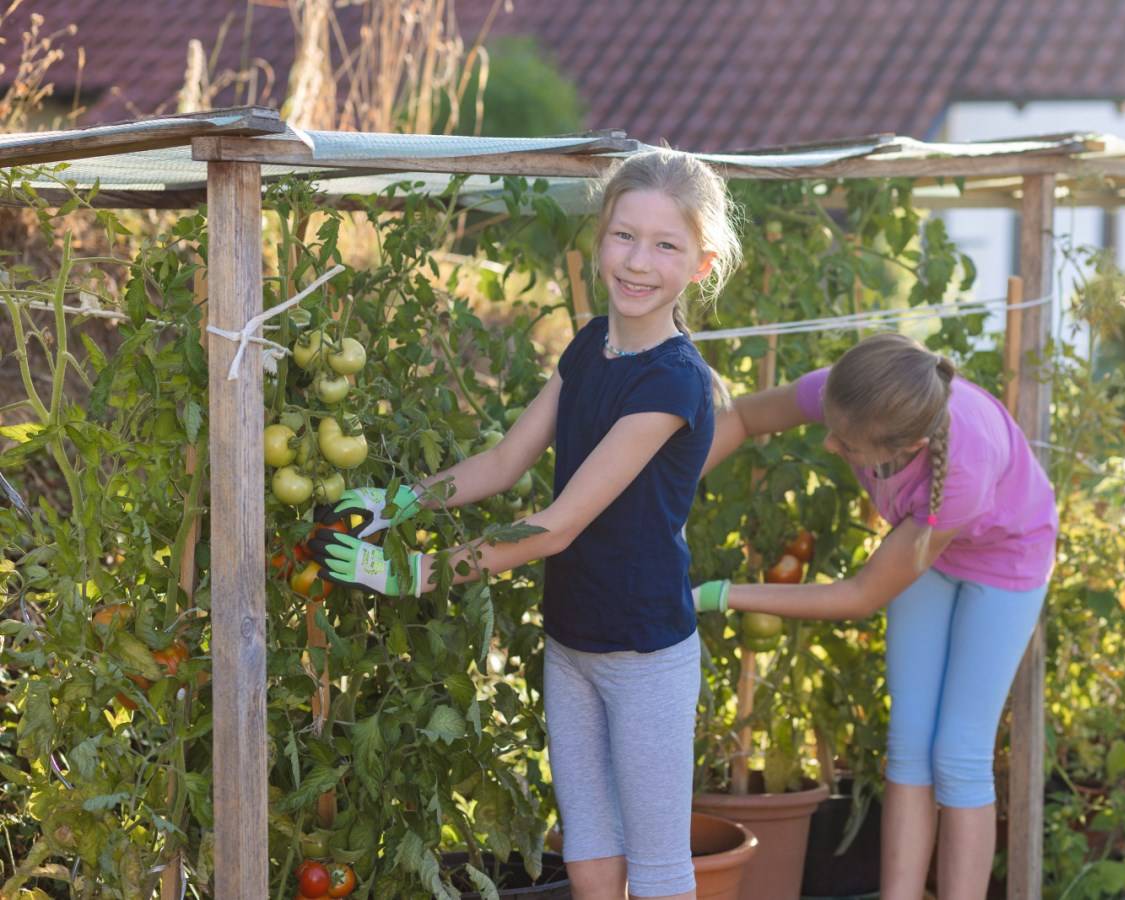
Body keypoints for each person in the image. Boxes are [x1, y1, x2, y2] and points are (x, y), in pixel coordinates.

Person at [308, 148, 741, 900]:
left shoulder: (674, 381)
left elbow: (555, 527)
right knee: (591, 848)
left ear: (701, 265)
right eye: (624, 237)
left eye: (666, 246)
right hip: (571, 637)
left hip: (644, 650)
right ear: (599, 238)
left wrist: (410, 572)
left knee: (660, 865)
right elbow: (505, 461)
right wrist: (394, 503)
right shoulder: (588, 346)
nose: (639, 263)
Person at [693, 333, 1056, 900]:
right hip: (927, 553)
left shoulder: (961, 465)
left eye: (849, 444)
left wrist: (718, 594)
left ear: (909, 445)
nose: (832, 446)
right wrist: (661, 498)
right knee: (908, 744)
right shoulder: (855, 393)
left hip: (1007, 560)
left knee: (958, 754)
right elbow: (741, 417)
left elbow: (861, 594)